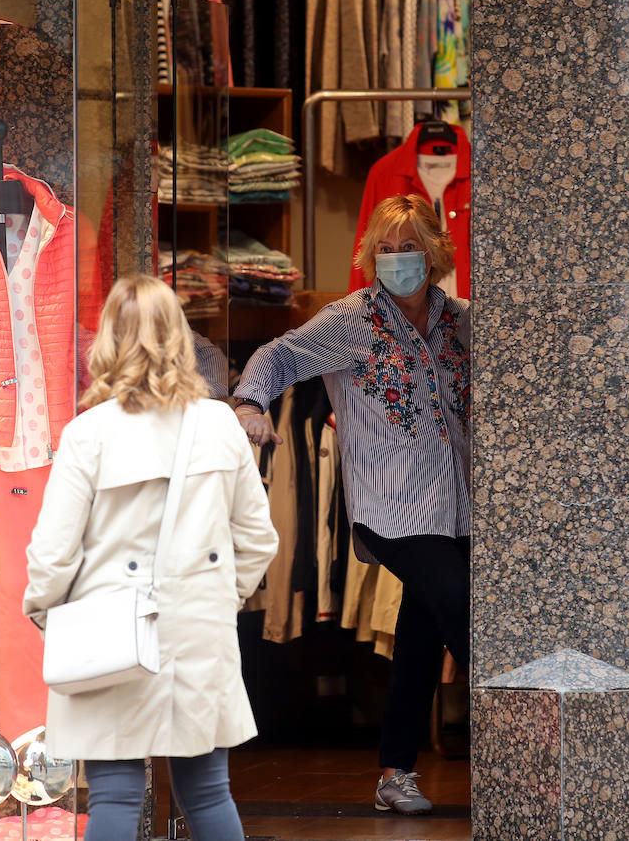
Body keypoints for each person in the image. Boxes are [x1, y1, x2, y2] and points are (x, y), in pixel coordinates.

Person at [232, 194, 470, 816]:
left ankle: (395, 773)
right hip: (392, 510)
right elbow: (279, 355)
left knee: (422, 631)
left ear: (435, 253)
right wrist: (251, 404)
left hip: (463, 507)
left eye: (409, 247)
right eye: (384, 249)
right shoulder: (351, 320)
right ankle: (526, 751)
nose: (396, 260)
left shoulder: (460, 319)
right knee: (465, 611)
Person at [23, 274, 279, 841]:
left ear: (109, 339)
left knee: (114, 794)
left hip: (109, 631)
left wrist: (47, 615)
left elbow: (52, 553)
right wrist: (212, 597)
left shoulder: (87, 434)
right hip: (199, 634)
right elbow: (259, 538)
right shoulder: (221, 425)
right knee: (209, 793)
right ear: (180, 338)